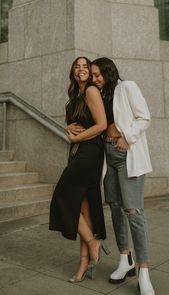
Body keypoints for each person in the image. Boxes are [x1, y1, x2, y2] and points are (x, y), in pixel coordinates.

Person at [91, 57, 155, 295]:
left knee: (134, 212)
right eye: (93, 76)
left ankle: (143, 271)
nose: (95, 79)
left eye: (98, 74)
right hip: (109, 157)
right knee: (115, 208)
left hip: (126, 153)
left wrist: (126, 137)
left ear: (109, 71)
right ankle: (125, 258)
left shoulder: (127, 87)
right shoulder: (100, 95)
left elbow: (145, 117)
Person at [49, 57, 109, 283]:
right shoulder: (74, 96)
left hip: (90, 152)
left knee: (62, 197)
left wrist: (75, 138)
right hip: (79, 151)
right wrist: (68, 128)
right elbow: (78, 123)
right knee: (83, 209)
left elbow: (101, 125)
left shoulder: (92, 91)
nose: (81, 70)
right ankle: (84, 263)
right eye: (77, 67)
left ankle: (93, 243)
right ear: (73, 72)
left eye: (85, 67)